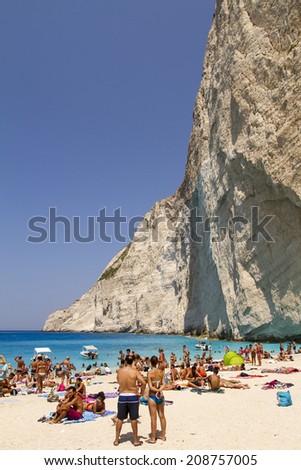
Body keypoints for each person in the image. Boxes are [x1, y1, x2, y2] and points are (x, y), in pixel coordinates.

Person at [113, 355, 146, 447]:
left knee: (120, 418)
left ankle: (116, 439)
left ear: (126, 362)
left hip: (122, 395)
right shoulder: (135, 371)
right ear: (132, 362)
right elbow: (143, 382)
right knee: (133, 419)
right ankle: (135, 440)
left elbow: (118, 380)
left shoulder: (120, 371)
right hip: (132, 396)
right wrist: (141, 393)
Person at [146, 356, 166, 443]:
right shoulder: (161, 372)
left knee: (153, 418)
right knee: (162, 416)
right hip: (160, 396)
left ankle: (153, 438)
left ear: (150, 362)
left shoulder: (149, 373)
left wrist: (156, 390)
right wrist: (160, 390)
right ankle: (163, 435)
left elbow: (150, 387)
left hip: (152, 396)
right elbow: (163, 384)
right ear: (158, 362)